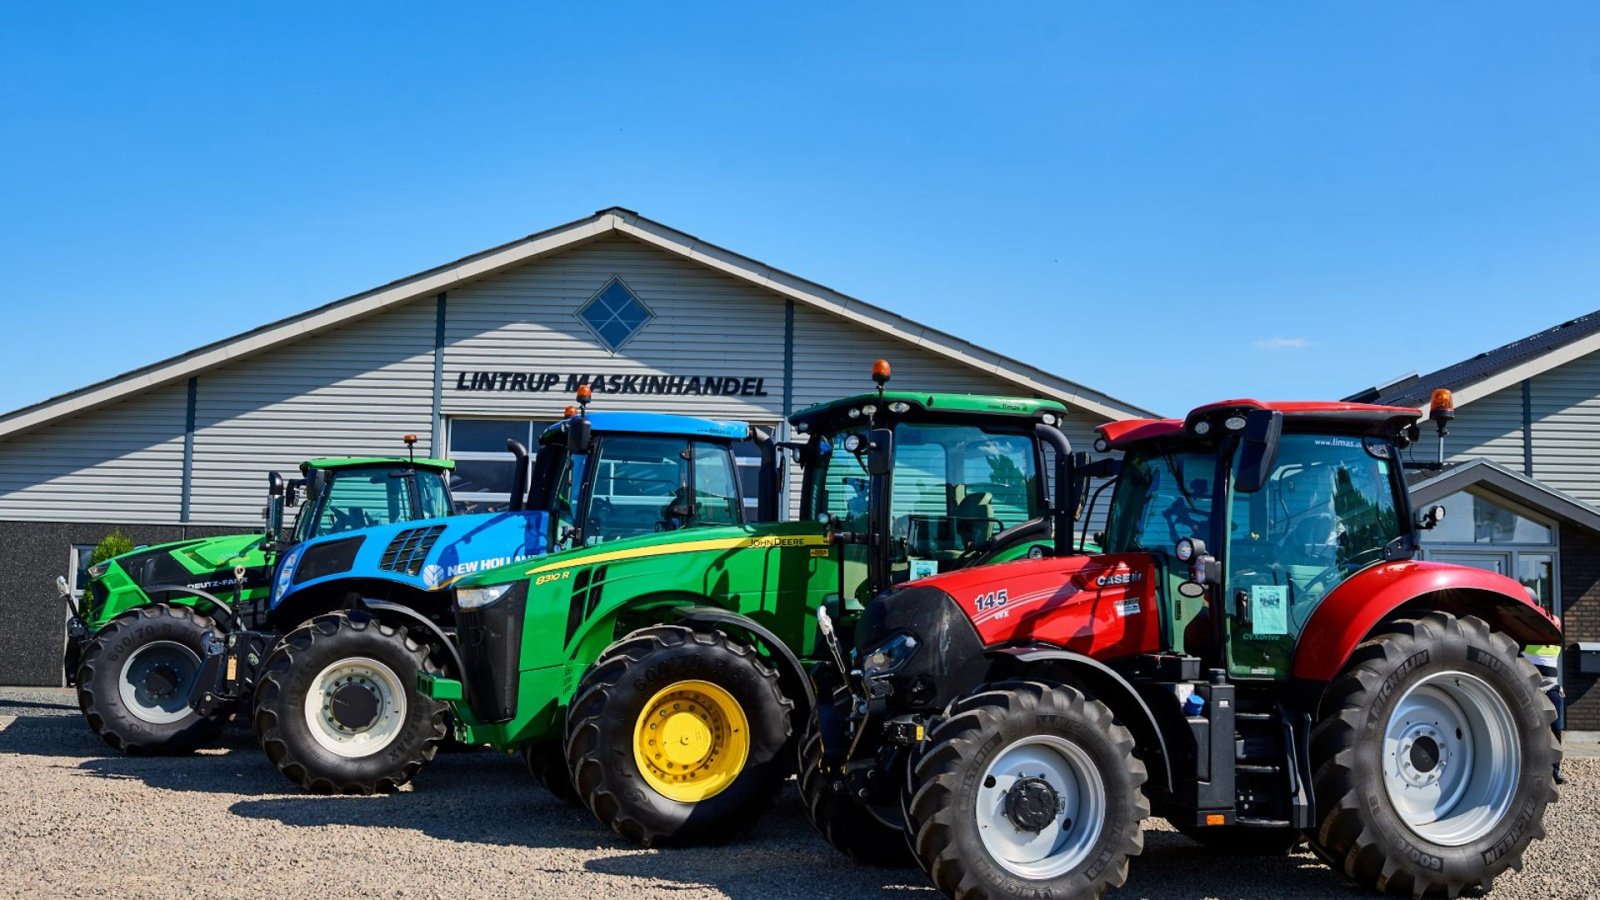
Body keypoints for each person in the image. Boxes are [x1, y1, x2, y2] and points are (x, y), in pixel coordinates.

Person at [1523, 635, 1566, 785]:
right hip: (1534, 689)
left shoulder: (1556, 645)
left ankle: (1555, 771)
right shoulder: (1527, 641)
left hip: (1552, 690)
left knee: (1556, 730)